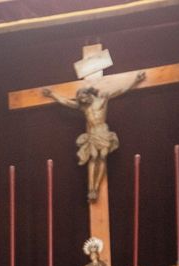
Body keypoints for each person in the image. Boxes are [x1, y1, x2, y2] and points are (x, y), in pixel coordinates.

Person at [43, 71, 145, 202]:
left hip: (102, 131)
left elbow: (120, 90)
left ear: (88, 95)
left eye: (83, 98)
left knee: (102, 156)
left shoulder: (102, 99)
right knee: (94, 156)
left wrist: (135, 81)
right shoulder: (84, 107)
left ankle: (96, 187)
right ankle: (91, 188)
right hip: (93, 133)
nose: (82, 101)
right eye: (81, 100)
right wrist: (52, 94)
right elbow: (66, 102)